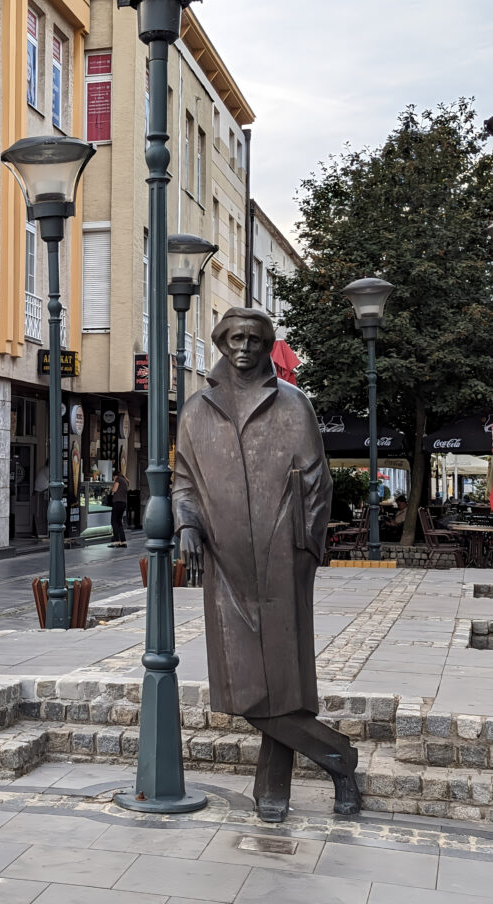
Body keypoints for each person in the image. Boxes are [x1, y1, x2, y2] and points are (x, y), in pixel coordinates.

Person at [173, 307, 360, 823]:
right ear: (220, 342)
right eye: (234, 337)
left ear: (266, 344)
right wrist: (187, 525)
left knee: (281, 679)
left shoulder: (293, 404)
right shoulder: (196, 410)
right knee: (246, 687)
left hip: (284, 563)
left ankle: (276, 788)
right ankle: (338, 758)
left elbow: (318, 483)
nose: (244, 347)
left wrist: (305, 551)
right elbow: (183, 482)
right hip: (225, 564)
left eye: (254, 339)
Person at [109, 469, 129, 547]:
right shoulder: (125, 481)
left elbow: (115, 489)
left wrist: (111, 490)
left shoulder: (118, 479)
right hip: (123, 503)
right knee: (119, 522)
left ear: (115, 476)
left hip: (117, 502)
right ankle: (123, 542)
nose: (113, 479)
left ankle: (116, 541)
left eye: (113, 477)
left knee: (114, 521)